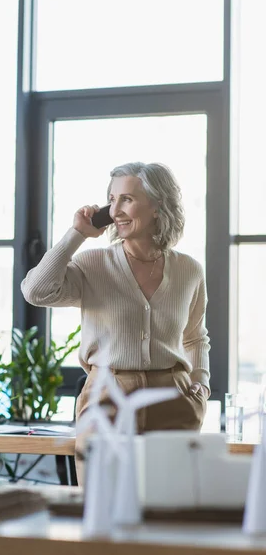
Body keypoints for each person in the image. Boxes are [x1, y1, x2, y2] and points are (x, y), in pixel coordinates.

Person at [21, 162, 210, 484]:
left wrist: (201, 385)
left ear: (157, 204)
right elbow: (36, 292)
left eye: (127, 199)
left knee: (171, 512)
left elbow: (195, 337)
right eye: (112, 199)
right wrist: (77, 234)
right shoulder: (93, 264)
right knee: (100, 508)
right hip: (106, 398)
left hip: (174, 400)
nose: (114, 210)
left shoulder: (189, 270)